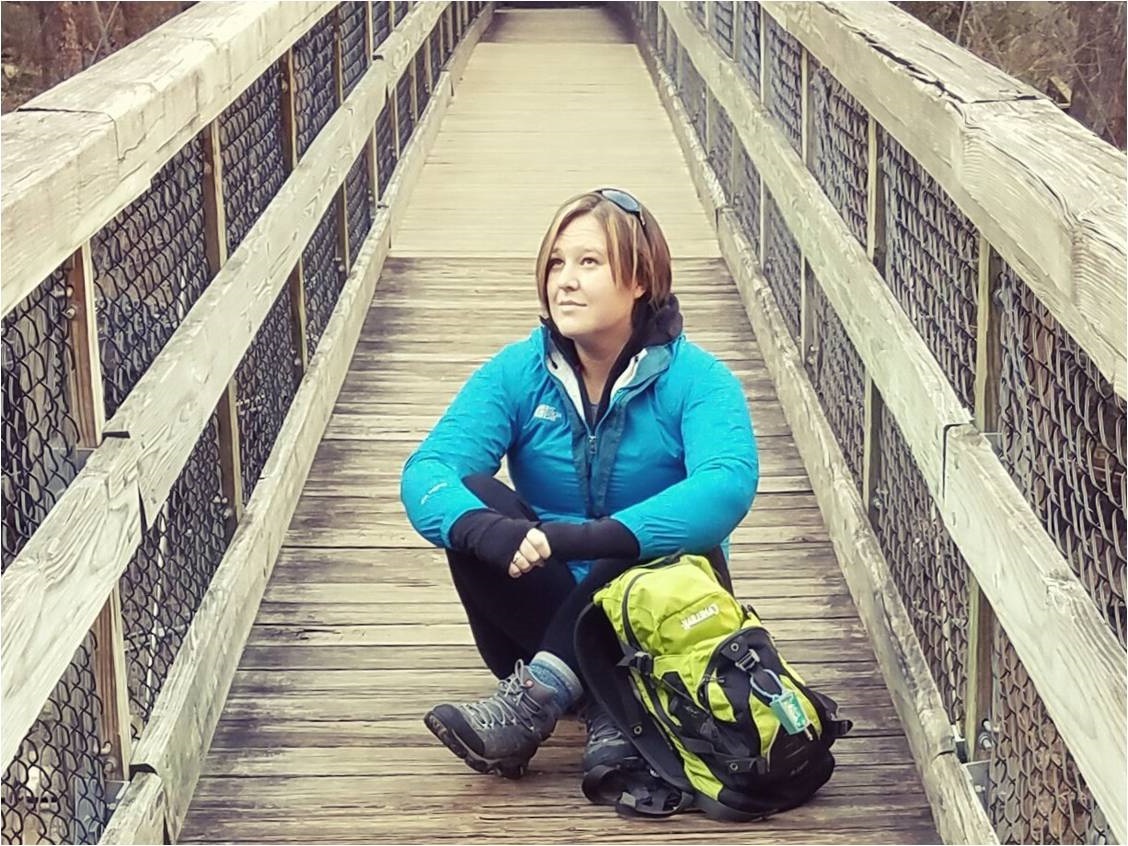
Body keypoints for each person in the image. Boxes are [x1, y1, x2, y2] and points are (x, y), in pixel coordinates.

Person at [400, 188, 759, 779]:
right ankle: (604, 702)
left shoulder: (699, 380)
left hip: (660, 621)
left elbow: (727, 485)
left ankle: (543, 698)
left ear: (639, 279)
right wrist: (481, 528)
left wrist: (586, 538)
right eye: (556, 263)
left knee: (661, 528)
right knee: (476, 496)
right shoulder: (519, 371)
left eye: (588, 262)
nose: (564, 281)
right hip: (533, 620)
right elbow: (429, 469)